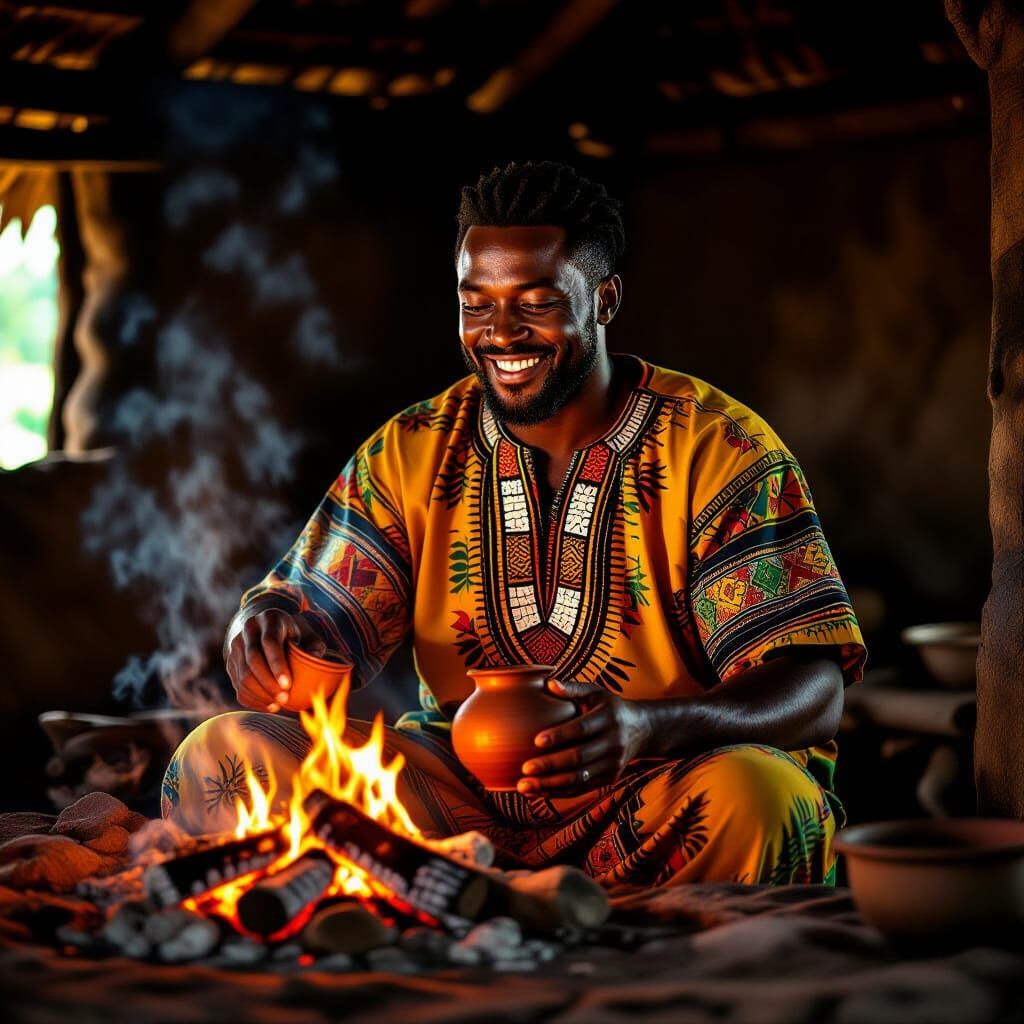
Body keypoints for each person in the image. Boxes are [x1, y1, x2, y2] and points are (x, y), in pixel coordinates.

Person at [163, 161, 866, 887]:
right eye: (476, 304)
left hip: (660, 796)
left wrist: (648, 728)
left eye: (534, 302)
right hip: (452, 808)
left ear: (604, 299)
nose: (501, 333)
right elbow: (314, 621)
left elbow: (813, 689)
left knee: (764, 800)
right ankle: (467, 896)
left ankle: (491, 910)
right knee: (223, 755)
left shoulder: (718, 448)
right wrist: (268, 631)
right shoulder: (415, 448)